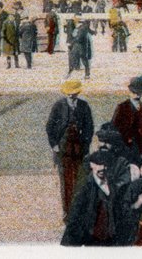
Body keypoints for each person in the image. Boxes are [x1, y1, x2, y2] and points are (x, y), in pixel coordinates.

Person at [47, 79, 95, 219]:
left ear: (78, 92)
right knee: (66, 181)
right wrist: (54, 145)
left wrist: (86, 145)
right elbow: (50, 127)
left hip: (80, 149)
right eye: (69, 94)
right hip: (63, 150)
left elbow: (89, 127)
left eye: (74, 93)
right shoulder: (58, 106)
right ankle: (67, 212)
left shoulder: (84, 106)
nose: (71, 96)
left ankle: (79, 211)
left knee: (80, 179)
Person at [61, 150, 122, 246]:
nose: (102, 168)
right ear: (91, 165)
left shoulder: (112, 185)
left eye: (105, 165)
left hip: (111, 239)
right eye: (99, 164)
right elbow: (75, 218)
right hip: (92, 239)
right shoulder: (85, 189)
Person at [112, 78, 142, 159]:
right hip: (125, 149)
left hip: (141, 148)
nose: (137, 95)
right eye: (134, 92)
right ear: (129, 92)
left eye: (139, 92)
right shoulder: (122, 107)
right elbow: (114, 128)